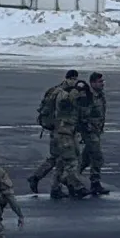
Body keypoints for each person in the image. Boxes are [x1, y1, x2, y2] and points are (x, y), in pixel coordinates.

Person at [29, 70, 87, 199]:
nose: (74, 80)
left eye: (75, 78)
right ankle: (75, 186)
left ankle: (50, 185)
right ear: (66, 78)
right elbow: (65, 105)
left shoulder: (55, 90)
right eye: (72, 78)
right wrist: (77, 92)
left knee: (56, 158)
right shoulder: (63, 93)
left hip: (57, 130)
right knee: (71, 159)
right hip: (64, 131)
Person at [79, 72, 110, 196]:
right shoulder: (88, 97)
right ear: (92, 83)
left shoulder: (100, 96)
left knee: (85, 159)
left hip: (96, 131)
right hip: (89, 131)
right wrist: (88, 128)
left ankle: (69, 178)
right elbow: (83, 115)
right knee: (97, 157)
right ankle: (95, 183)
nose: (102, 84)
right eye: (99, 82)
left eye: (102, 81)